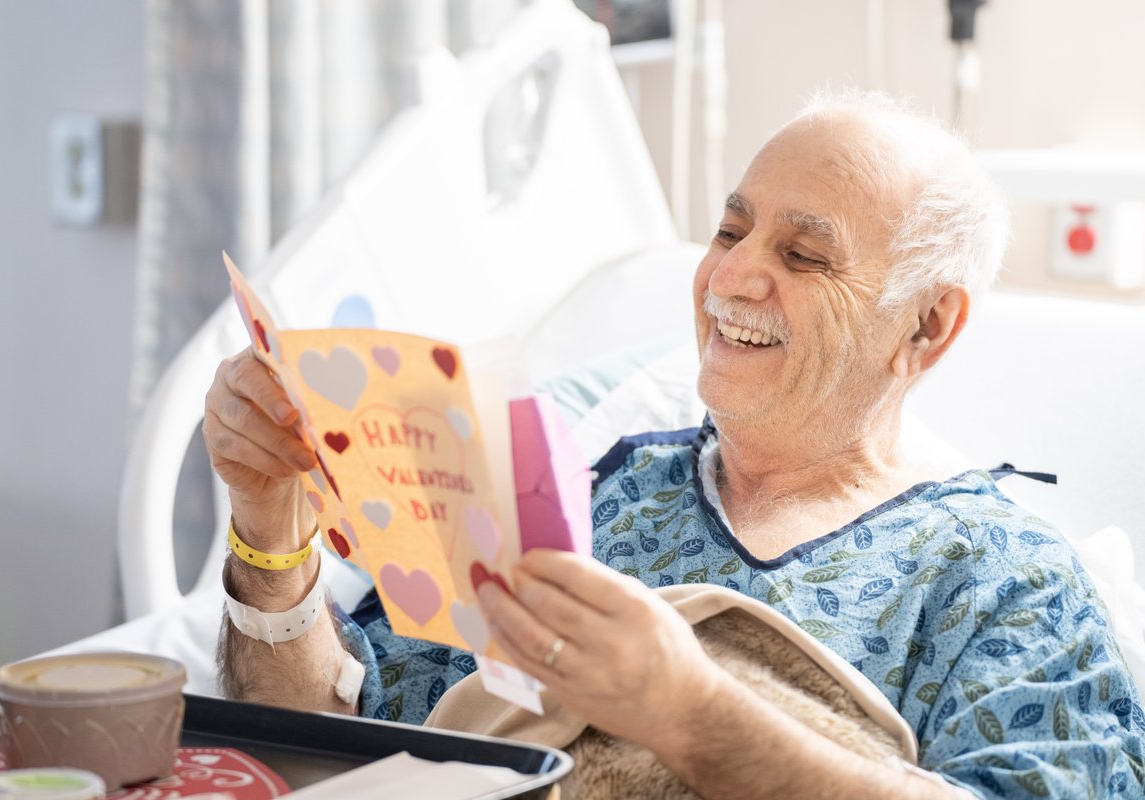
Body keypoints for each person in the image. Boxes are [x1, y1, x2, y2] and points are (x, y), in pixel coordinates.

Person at [203, 91, 1145, 798]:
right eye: (730, 230)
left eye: (802, 256)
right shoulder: (575, 497)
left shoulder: (1002, 583)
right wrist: (269, 527)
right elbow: (320, 745)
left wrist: (691, 712)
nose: (731, 276)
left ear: (927, 329)